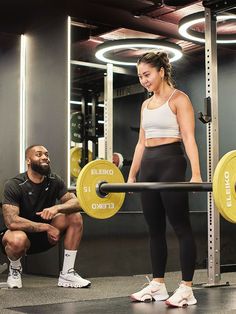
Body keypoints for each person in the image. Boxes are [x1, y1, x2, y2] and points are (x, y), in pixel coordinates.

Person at [128, 52, 202, 307]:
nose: (143, 80)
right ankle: (158, 284)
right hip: (148, 163)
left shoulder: (178, 99)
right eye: (139, 76)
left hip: (171, 161)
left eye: (147, 74)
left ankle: (186, 288)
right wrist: (132, 175)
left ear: (161, 71)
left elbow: (189, 138)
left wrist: (196, 174)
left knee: (181, 226)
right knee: (154, 228)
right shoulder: (145, 105)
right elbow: (140, 143)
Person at [1, 145, 91, 289]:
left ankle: (67, 273)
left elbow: (78, 202)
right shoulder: (14, 184)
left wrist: (57, 208)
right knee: (17, 238)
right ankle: (15, 269)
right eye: (38, 154)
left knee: (74, 216)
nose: (45, 157)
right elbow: (11, 221)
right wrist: (46, 226)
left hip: (46, 237)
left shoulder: (54, 180)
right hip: (20, 238)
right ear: (28, 161)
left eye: (46, 155)